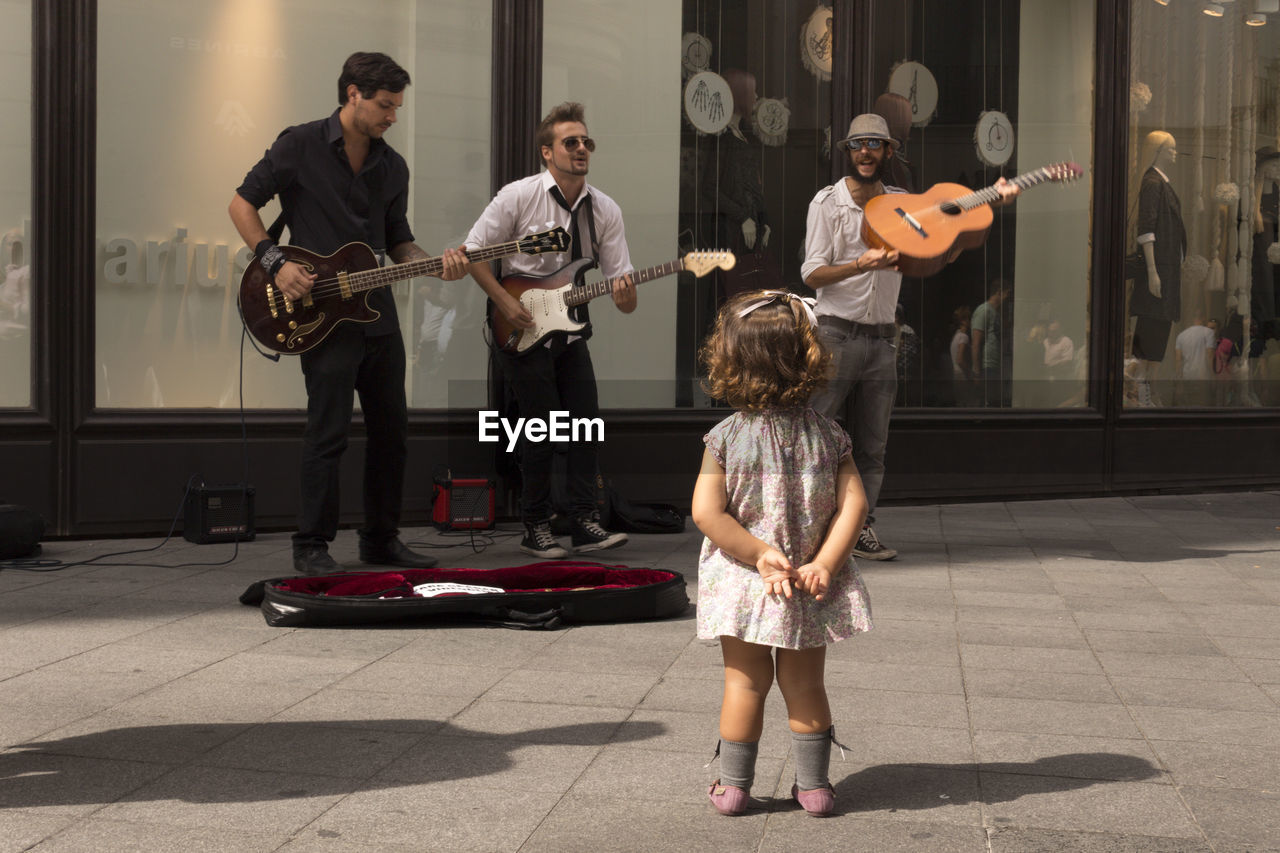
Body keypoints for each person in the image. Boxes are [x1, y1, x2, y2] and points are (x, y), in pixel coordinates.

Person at [229, 52, 467, 576]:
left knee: (392, 431)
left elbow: (398, 243)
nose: (393, 117)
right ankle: (311, 545)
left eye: (398, 107)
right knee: (328, 430)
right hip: (319, 316)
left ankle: (380, 540)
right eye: (385, 105)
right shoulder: (299, 145)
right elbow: (242, 205)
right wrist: (275, 263)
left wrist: (435, 265)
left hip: (376, 313)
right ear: (353, 94)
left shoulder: (393, 166)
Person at [802, 113, 1018, 560]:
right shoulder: (828, 203)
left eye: (875, 144)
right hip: (834, 334)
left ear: (888, 152)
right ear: (848, 151)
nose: (865, 152)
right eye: (858, 144)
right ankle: (807, 529)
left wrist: (991, 202)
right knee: (817, 439)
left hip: (883, 338)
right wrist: (860, 264)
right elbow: (812, 273)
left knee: (873, 445)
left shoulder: (904, 203)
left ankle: (860, 530)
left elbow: (944, 239)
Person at [691, 289, 873, 818]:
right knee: (805, 683)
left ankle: (733, 788)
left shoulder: (724, 438)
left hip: (746, 582)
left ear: (730, 360)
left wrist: (760, 553)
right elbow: (854, 505)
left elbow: (707, 512)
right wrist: (824, 563)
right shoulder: (831, 435)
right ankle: (815, 789)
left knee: (744, 682)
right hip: (807, 584)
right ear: (811, 359)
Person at [465, 102, 635, 559]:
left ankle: (583, 522)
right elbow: (473, 253)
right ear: (547, 152)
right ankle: (535, 525)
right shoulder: (518, 197)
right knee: (540, 428)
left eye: (586, 142)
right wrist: (503, 301)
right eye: (571, 142)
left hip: (570, 332)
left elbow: (624, 289)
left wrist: (625, 295)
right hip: (518, 326)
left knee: (585, 427)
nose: (582, 149)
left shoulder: (605, 209)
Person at [1128, 131, 1186, 407]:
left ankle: (1146, 393)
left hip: (1166, 271)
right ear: (1158, 151)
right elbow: (1147, 228)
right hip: (1159, 271)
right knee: (1150, 334)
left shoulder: (1162, 183)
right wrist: (1152, 271)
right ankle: (1140, 394)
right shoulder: (1152, 183)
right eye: (1171, 149)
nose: (1175, 154)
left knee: (1158, 334)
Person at [970, 281, 1012, 407]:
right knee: (989, 405)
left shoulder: (995, 313)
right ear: (999, 292)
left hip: (995, 366)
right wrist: (977, 372)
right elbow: (976, 343)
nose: (1008, 298)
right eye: (1007, 294)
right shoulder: (984, 310)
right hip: (986, 367)